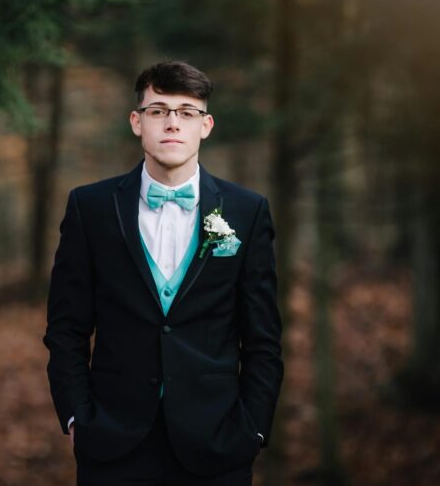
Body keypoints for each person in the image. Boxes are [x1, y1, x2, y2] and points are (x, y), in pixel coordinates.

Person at [44, 61, 283, 485]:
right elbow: (66, 327)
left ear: (205, 125)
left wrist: (254, 428)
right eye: (158, 111)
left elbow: (262, 337)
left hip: (218, 443)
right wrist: (78, 416)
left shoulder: (247, 212)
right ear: (137, 122)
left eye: (186, 112)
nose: (172, 123)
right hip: (112, 443)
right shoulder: (91, 207)